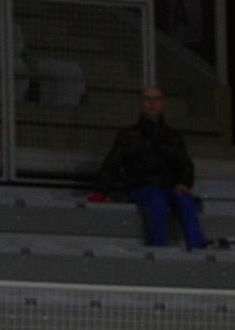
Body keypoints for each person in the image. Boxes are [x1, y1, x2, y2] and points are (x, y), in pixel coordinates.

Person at [89, 86, 209, 250]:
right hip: (142, 187)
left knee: (186, 200)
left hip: (168, 187)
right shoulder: (129, 135)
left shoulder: (173, 136)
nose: (152, 103)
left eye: (157, 99)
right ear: (141, 104)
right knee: (157, 200)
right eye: (148, 99)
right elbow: (113, 162)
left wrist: (183, 182)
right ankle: (158, 250)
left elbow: (185, 164)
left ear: (162, 104)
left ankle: (197, 248)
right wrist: (100, 190)